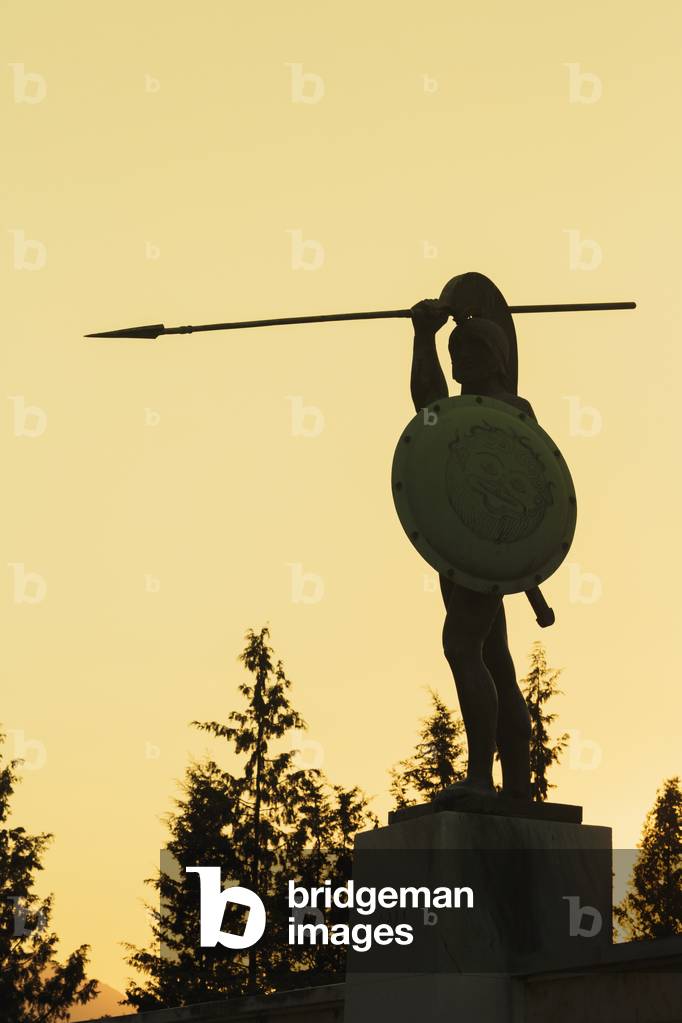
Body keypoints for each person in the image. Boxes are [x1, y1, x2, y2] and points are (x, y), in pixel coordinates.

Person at [409, 298, 533, 801]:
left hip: (489, 546)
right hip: (467, 547)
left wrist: (425, 336)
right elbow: (431, 412)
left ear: (494, 356)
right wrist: (424, 338)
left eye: (467, 352)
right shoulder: (472, 410)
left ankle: (482, 777)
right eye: (453, 354)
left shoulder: (507, 410)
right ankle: (518, 784)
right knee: (496, 657)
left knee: (462, 646)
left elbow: (432, 413)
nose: (458, 363)